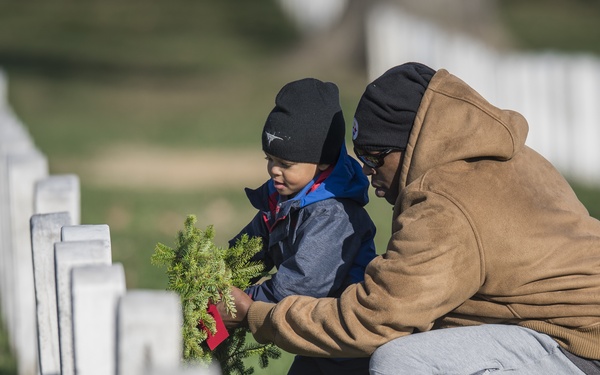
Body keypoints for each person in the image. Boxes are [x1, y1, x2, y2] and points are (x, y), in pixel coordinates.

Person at [219, 62, 600, 374]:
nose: (367, 172)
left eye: (374, 157)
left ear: (410, 146)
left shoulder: (446, 205)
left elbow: (373, 319)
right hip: (539, 327)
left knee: (401, 360)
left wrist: (257, 314)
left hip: (573, 345)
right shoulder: (497, 159)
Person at [228, 77, 377, 375]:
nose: (273, 170)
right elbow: (249, 249)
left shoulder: (333, 215)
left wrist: (240, 305)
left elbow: (300, 285)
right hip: (316, 339)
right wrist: (219, 276)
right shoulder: (283, 199)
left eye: (285, 163)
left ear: (322, 162)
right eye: (269, 158)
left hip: (348, 344)